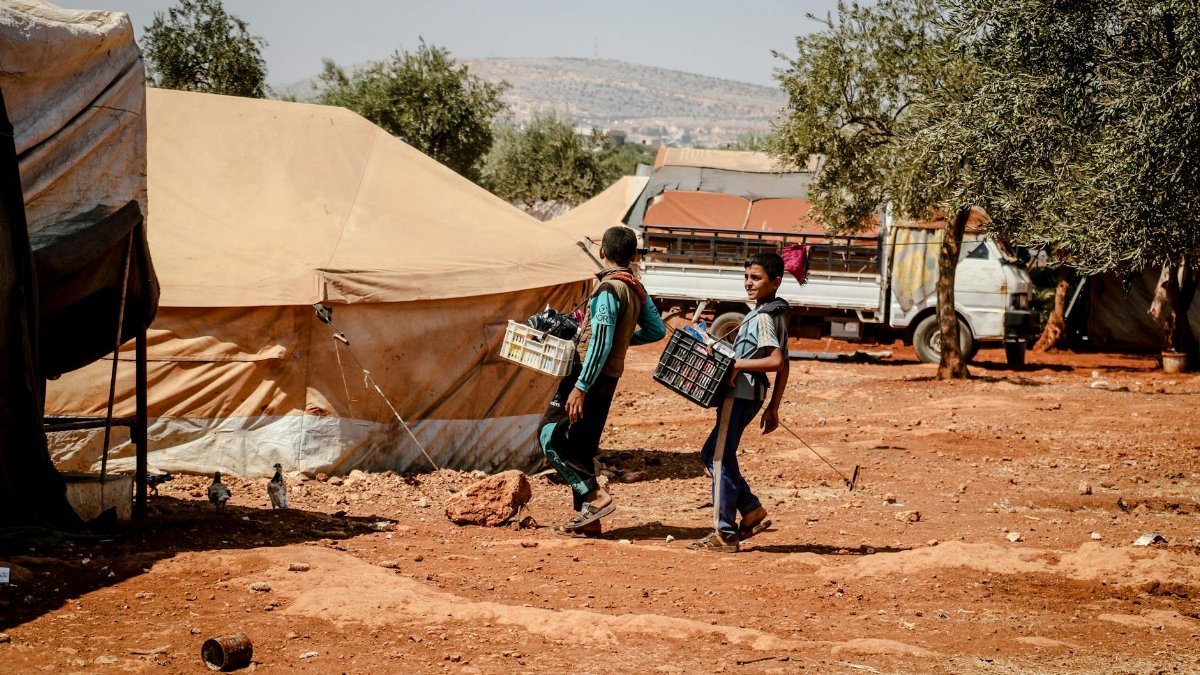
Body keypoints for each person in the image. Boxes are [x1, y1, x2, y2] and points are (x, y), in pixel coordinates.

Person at [538, 226, 666, 537]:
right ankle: (589, 520)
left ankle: (596, 498)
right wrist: (622, 342)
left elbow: (600, 342)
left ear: (601, 253)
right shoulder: (636, 288)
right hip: (609, 379)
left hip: (588, 378)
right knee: (581, 446)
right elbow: (656, 331)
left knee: (550, 437)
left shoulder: (609, 290)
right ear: (634, 256)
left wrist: (580, 387)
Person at [689, 252, 790, 553]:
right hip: (752, 396)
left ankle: (724, 533)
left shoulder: (762, 317)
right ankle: (750, 509)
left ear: (776, 282)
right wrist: (773, 405)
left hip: (741, 395)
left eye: (756, 278)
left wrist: (736, 365)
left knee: (717, 458)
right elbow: (785, 365)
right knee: (715, 453)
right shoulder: (774, 312)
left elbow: (776, 360)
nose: (748, 283)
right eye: (746, 277)